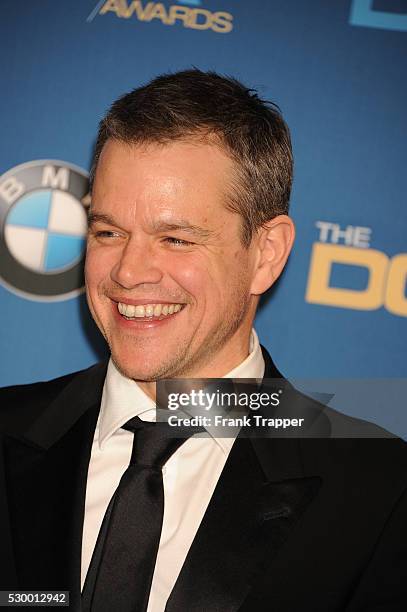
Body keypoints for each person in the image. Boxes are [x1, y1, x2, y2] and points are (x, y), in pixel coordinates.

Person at [1, 69, 407, 612]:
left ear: (265, 254)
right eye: (109, 232)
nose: (128, 272)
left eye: (175, 238)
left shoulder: (379, 494)